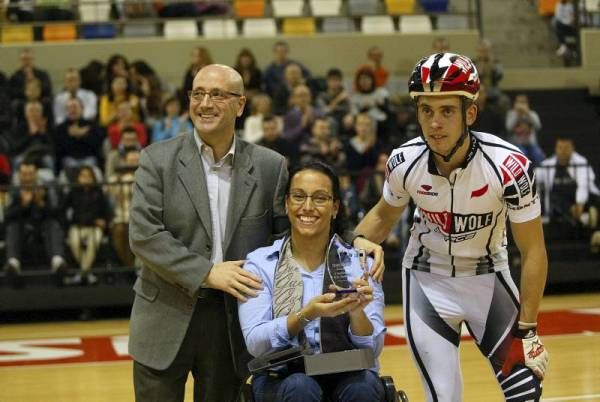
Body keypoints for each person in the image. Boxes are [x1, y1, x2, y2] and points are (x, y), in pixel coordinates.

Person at [351, 53, 549, 402]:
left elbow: (533, 251)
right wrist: (356, 244)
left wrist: (529, 329)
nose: (435, 123)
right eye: (426, 110)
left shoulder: (511, 168)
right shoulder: (403, 161)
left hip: (489, 277)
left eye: (446, 111)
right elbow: (383, 215)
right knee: (444, 397)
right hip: (429, 281)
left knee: (526, 391)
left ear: (469, 114)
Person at [128, 64, 290, 402]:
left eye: (217, 94)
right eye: (197, 94)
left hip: (230, 323)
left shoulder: (270, 166)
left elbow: (285, 241)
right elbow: (144, 235)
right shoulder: (156, 160)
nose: (205, 103)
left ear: (241, 105)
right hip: (164, 315)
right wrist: (206, 272)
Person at [238, 160, 386, 402]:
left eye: (319, 198)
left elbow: (373, 349)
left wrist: (358, 313)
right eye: (298, 196)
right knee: (300, 386)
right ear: (286, 204)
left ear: (335, 207)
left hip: (345, 371)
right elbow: (256, 343)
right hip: (281, 376)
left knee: (363, 386)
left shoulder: (361, 264)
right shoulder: (260, 264)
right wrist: (305, 315)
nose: (307, 207)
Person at [536, 136, 599, 230]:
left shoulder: (581, 162)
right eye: (560, 148)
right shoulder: (548, 165)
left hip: (584, 201)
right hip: (563, 206)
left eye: (566, 148)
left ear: (572, 148)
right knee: (556, 200)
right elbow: (533, 176)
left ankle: (589, 218)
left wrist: (579, 204)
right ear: (556, 149)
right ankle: (583, 220)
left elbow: (583, 185)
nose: (563, 152)